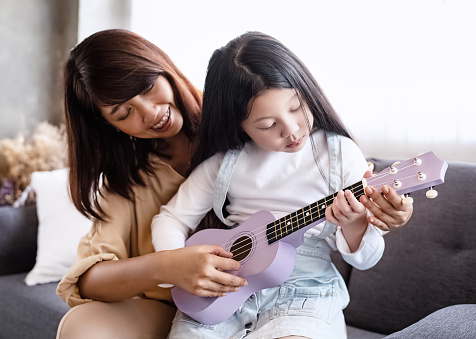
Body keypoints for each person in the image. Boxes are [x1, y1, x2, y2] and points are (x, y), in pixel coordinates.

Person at [56, 29, 412, 339]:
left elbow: (361, 242)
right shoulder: (151, 175)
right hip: (201, 303)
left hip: (300, 293)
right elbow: (90, 278)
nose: (150, 113)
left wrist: (366, 217)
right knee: (80, 327)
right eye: (123, 112)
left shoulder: (307, 142)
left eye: (148, 87)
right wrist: (172, 264)